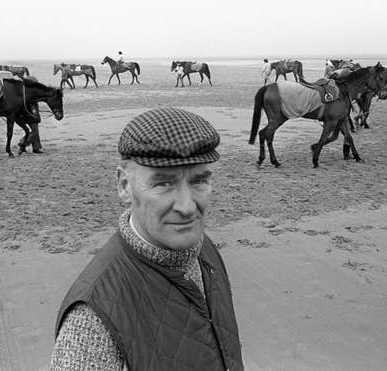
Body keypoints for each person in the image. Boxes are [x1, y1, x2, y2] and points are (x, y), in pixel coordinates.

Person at [51, 107, 244, 371]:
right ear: (124, 186)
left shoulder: (204, 250)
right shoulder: (91, 322)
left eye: (199, 181)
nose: (187, 207)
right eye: (164, 184)